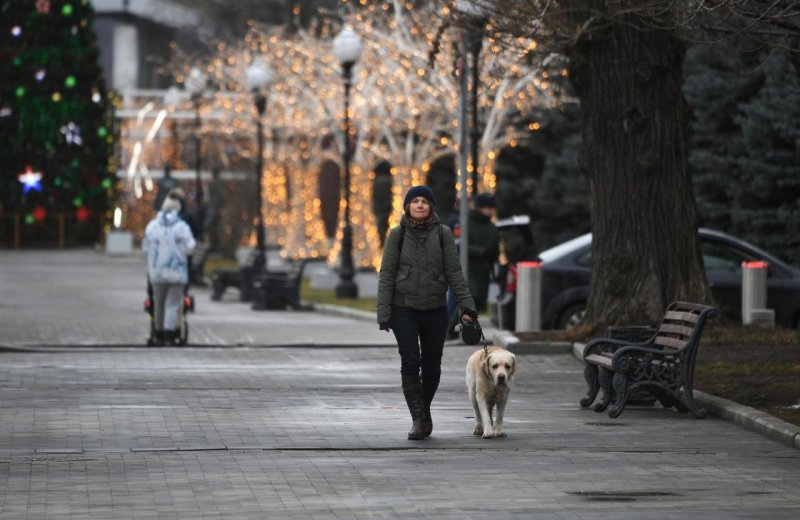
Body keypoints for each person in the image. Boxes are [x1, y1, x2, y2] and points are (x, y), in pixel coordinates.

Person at [377, 185, 478, 440]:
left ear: (431, 207)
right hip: (403, 309)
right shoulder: (397, 235)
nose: (420, 205)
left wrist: (468, 306)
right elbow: (387, 274)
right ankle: (418, 419)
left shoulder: (443, 234)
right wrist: (384, 312)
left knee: (432, 366)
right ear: (408, 206)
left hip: (435, 308)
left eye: (424, 201)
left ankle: (425, 410)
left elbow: (455, 273)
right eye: (415, 201)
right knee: (410, 360)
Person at [143, 189, 196, 345]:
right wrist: (181, 254)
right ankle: (169, 334)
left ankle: (157, 333)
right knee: (172, 303)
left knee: (158, 302)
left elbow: (145, 248)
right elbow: (191, 246)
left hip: (157, 273)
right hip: (176, 271)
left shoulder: (152, 226)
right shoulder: (181, 227)